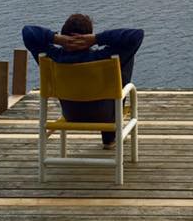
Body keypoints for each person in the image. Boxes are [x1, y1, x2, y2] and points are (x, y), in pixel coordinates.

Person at [21, 14, 143, 148]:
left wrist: (56, 39)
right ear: (88, 37)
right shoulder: (102, 57)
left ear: (63, 34)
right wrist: (97, 39)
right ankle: (109, 138)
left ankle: (109, 137)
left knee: (118, 61)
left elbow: (28, 32)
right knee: (124, 60)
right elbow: (136, 35)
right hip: (105, 116)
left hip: (71, 114)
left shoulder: (53, 58)